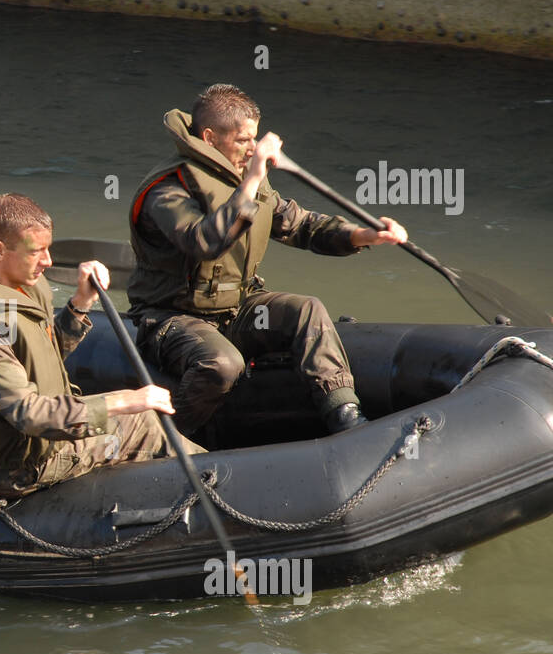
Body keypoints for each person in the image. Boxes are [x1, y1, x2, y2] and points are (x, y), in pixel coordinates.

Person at [126, 84, 408, 437]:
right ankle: (165, 440)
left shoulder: (247, 180)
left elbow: (299, 224)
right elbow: (203, 241)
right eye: (243, 140)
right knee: (223, 365)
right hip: (174, 318)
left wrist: (363, 235)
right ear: (210, 138)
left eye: (255, 140)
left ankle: (344, 416)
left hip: (237, 309)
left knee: (307, 309)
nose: (253, 149)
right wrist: (255, 175)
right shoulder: (168, 189)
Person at [0, 193, 200, 499]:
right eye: (36, 252)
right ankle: (217, 488)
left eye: (48, 249)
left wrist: (80, 304)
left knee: (140, 416)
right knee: (143, 424)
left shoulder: (19, 285)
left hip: (26, 445)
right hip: (7, 469)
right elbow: (27, 414)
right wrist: (122, 401)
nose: (48, 262)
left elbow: (43, 355)